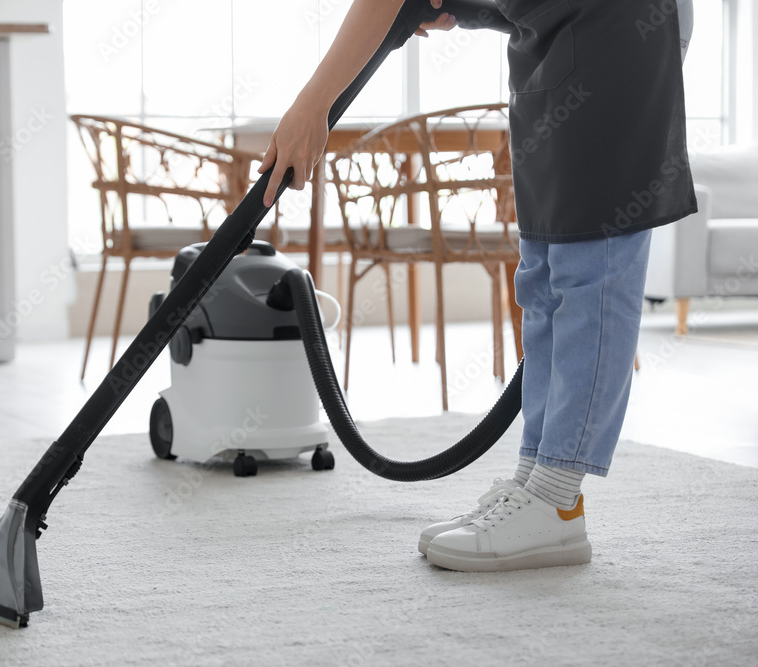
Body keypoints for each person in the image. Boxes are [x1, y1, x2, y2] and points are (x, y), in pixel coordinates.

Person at [259, 0, 696, 571]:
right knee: (543, 279)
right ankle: (535, 481)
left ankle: (557, 501)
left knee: (592, 271)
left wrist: (311, 105)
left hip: (618, 22)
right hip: (552, 33)